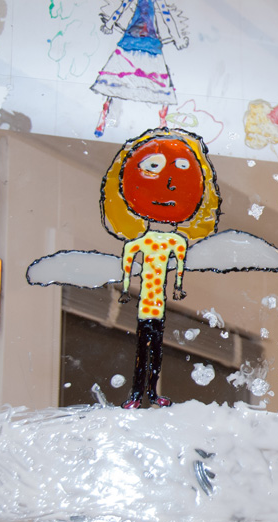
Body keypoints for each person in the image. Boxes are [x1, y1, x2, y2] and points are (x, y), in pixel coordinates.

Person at [101, 127, 220, 408]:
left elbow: (178, 272)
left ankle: (151, 394)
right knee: (142, 352)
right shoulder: (137, 243)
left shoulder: (177, 243)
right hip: (146, 307)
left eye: (181, 169)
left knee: (155, 353)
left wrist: (177, 288)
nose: (169, 183)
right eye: (153, 167)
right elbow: (127, 267)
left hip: (158, 307)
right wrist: (126, 291)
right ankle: (136, 395)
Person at [91, 0, 189, 137]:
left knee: (117, 75)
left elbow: (123, 7)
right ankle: (162, 124)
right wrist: (178, 39)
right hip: (143, 41)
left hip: (137, 40)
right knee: (157, 80)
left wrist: (109, 24)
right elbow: (165, 15)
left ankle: (162, 124)